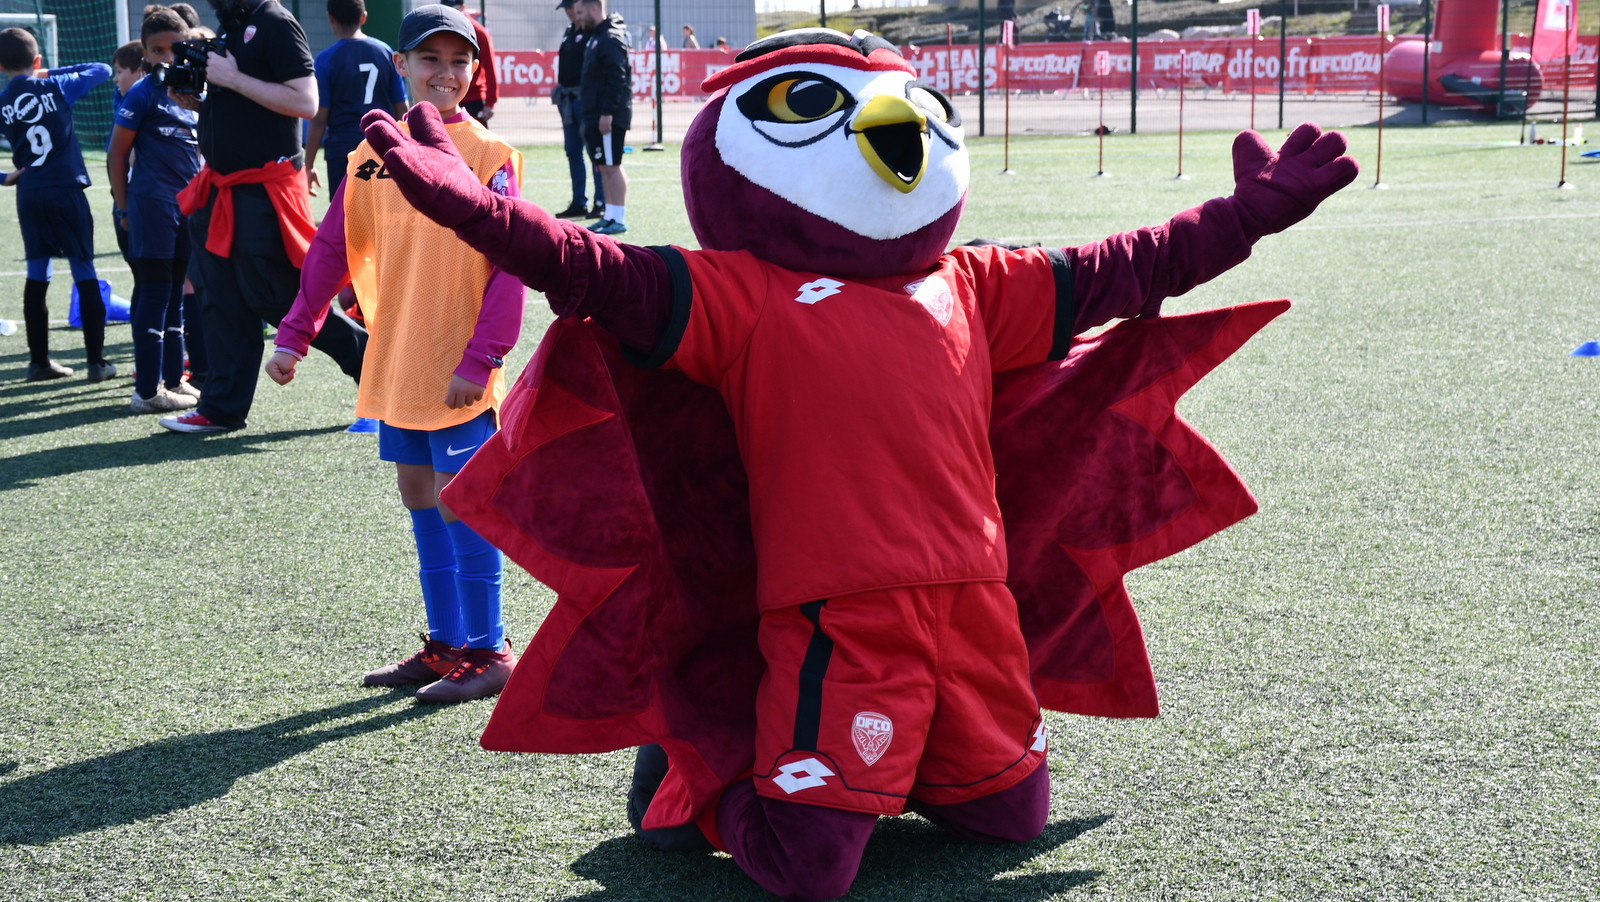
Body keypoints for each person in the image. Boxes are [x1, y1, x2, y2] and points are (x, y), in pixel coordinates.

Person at [360, 27, 1360, 899]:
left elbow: (1128, 268)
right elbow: (589, 270)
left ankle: (879, 761)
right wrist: (476, 212)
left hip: (978, 603)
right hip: (837, 615)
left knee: (1010, 816)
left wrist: (1251, 215)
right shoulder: (738, 295)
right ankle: (701, 771)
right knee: (810, 866)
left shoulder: (975, 281)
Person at [268, 4, 525, 701]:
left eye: (459, 61)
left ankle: (490, 647)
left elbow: (511, 264)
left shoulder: (490, 157)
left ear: (474, 72)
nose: (446, 73)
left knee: (462, 501)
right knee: (419, 493)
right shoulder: (369, 154)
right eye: (430, 60)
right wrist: (295, 331)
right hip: (400, 358)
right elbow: (331, 249)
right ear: (401, 66)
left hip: (460, 365)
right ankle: (446, 644)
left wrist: (483, 359)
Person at [160, 0, 367, 434]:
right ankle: (221, 409)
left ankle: (371, 365)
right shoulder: (235, 23)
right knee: (222, 300)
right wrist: (199, 103)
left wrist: (233, 78)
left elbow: (306, 101)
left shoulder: (275, 22)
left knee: (275, 295)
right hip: (219, 187)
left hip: (262, 189)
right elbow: (245, 108)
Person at [0, 28, 113, 382]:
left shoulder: (2, 101)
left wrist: (4, 178)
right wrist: (48, 73)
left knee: (38, 273)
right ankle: (96, 363)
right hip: (66, 189)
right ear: (36, 60)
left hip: (30, 192)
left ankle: (39, 363)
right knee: (83, 269)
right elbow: (102, 70)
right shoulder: (56, 86)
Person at [109, 7, 206, 413]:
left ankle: (171, 380)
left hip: (187, 209)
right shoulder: (142, 93)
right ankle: (146, 391)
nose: (167, 56)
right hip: (151, 206)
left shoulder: (193, 92)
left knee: (174, 297)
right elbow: (116, 156)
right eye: (157, 50)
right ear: (145, 54)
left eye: (174, 48)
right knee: (153, 294)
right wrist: (124, 206)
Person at [307, 0, 407, 197]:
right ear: (363, 17)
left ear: (330, 18)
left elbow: (320, 118)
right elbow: (402, 107)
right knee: (382, 213)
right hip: (380, 145)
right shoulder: (385, 52)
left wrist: (308, 164)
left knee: (345, 215)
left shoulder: (326, 59)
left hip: (342, 149)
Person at [572, 0, 629, 235]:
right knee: (604, 167)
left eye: (580, 12)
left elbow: (617, 78)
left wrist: (607, 112)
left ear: (593, 8)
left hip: (608, 117)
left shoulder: (610, 38)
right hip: (596, 115)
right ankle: (609, 215)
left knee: (612, 166)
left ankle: (619, 218)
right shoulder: (596, 37)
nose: (577, 17)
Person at [550, 0, 602, 219]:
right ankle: (579, 201)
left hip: (586, 100)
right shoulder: (570, 31)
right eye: (567, 9)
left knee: (594, 152)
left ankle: (601, 201)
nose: (569, 13)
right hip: (568, 100)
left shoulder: (595, 33)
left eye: (572, 8)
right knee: (573, 151)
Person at [109, 40, 144, 309]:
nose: (115, 78)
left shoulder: (165, 102)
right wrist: (123, 210)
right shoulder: (126, 101)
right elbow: (119, 157)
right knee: (145, 281)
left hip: (153, 204)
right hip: (129, 204)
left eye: (120, 71)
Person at [437, 0, 496, 127]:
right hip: (442, 96)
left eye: (454, 9)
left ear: (463, 8)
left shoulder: (478, 32)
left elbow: (490, 69)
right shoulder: (436, 32)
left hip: (472, 99)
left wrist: (490, 103)